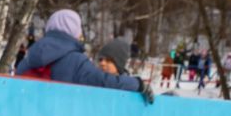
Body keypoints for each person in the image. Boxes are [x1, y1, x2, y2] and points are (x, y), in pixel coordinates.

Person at [14, 10, 155, 102]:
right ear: (74, 31)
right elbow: (105, 82)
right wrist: (138, 84)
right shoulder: (76, 62)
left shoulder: (27, 60)